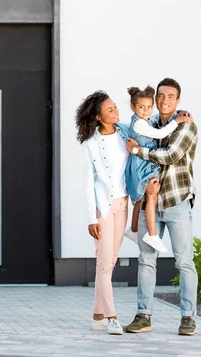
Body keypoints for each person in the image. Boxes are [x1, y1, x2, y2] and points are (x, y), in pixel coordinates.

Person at [124, 78, 199, 336]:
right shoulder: (148, 122)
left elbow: (170, 155)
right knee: (146, 260)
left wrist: (138, 151)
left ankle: (188, 318)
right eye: (161, 96)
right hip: (151, 204)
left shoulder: (186, 126)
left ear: (178, 100)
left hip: (177, 202)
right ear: (155, 99)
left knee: (184, 262)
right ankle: (143, 315)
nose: (164, 100)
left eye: (170, 96)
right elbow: (130, 132)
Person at [76, 91, 128, 335]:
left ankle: (97, 315)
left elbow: (149, 128)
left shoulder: (125, 132)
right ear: (98, 116)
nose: (116, 111)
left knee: (110, 262)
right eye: (110, 110)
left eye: (115, 107)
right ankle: (112, 318)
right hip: (103, 208)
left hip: (124, 204)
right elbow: (88, 183)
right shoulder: (91, 143)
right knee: (104, 264)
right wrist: (91, 218)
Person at [124, 86, 192, 253]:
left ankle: (133, 231)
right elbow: (160, 134)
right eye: (142, 107)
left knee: (140, 199)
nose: (146, 110)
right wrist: (177, 121)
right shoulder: (142, 123)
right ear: (133, 108)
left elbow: (170, 153)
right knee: (151, 196)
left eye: (149, 106)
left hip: (149, 172)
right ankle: (151, 234)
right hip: (144, 166)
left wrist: (178, 113)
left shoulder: (147, 120)